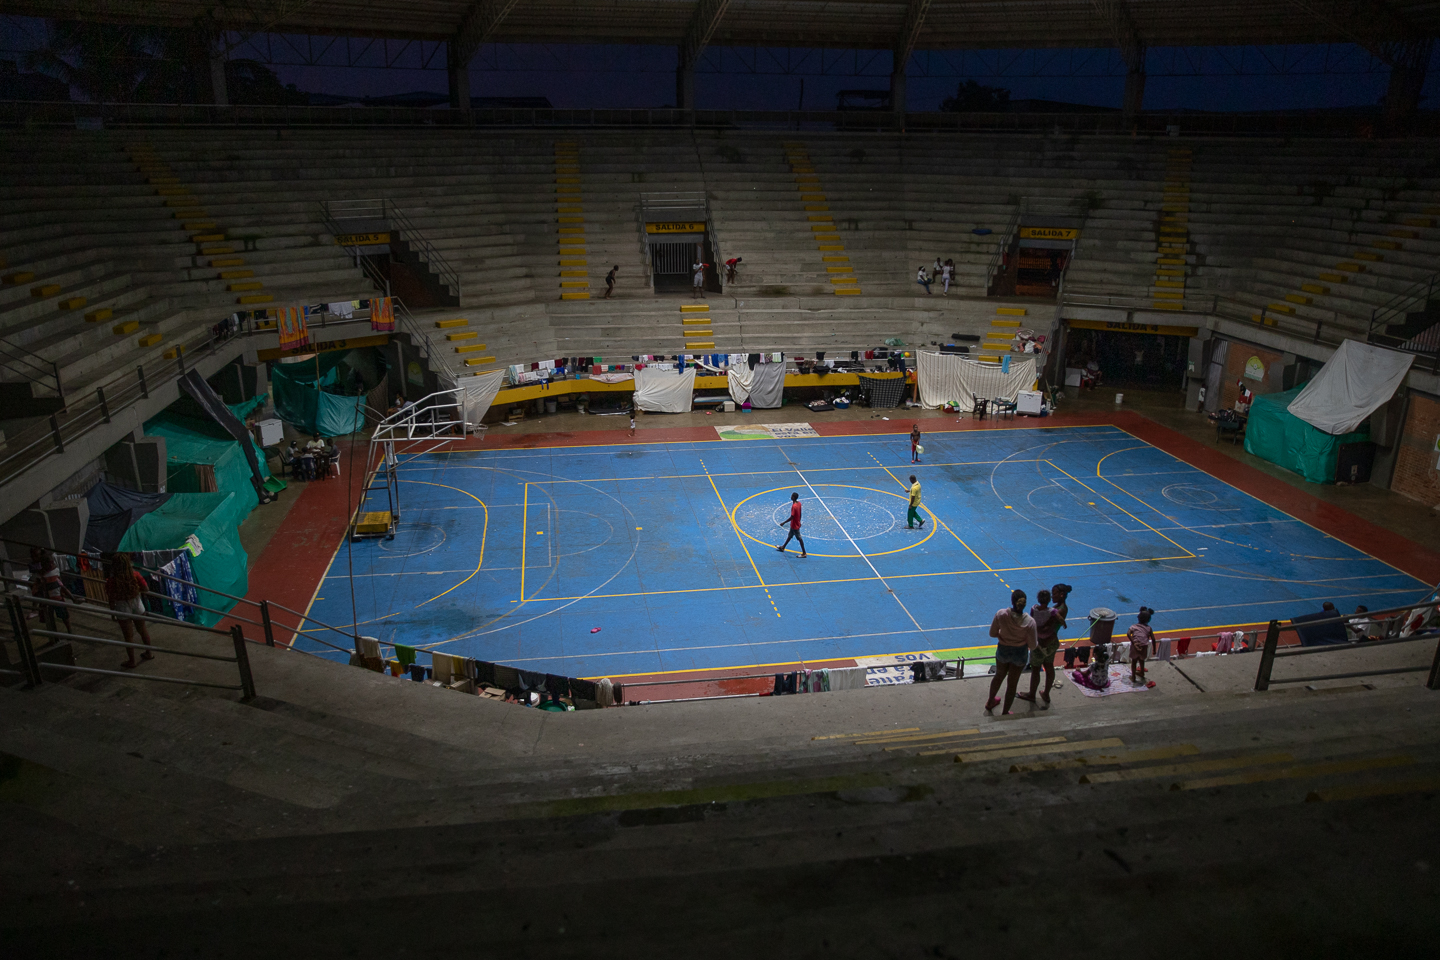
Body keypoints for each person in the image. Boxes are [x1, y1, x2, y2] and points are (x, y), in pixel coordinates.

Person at [986, 589, 1037, 715]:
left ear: (1012, 601)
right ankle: (1005, 712)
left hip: (1003, 650)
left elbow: (992, 633)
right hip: (1020, 654)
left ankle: (990, 701)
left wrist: (1002, 637)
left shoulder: (1001, 614)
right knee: (1012, 684)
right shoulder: (1030, 622)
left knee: (998, 676)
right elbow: (1032, 645)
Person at [105, 553, 154, 669]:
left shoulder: (112, 581)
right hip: (137, 605)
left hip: (122, 608)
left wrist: (112, 612)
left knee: (128, 636)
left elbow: (111, 598)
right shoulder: (135, 575)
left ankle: (132, 661)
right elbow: (146, 589)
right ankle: (149, 653)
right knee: (143, 630)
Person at [1017, 589, 1059, 708]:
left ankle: (1032, 694)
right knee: (1049, 666)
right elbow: (1060, 619)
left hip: (1038, 644)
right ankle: (1046, 693)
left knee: (1036, 669)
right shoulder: (1053, 612)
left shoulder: (1033, 609)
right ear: (1049, 599)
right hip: (1050, 642)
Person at [28, 546, 74, 631]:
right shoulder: (45, 572)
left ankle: (65, 632)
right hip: (52, 597)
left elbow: (60, 585)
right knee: (50, 617)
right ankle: (63, 633)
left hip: (53, 597)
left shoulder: (48, 572)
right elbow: (61, 585)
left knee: (60, 615)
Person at [1128, 607, 1155, 684]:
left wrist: (1133, 642)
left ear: (1138, 618)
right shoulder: (1149, 628)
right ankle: (1142, 672)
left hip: (1135, 646)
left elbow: (1128, 633)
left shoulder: (1134, 626)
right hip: (1144, 647)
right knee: (1141, 660)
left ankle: (1133, 677)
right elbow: (1153, 639)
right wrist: (1154, 649)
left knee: (1134, 661)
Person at [777, 491, 806, 558]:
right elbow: (800, 513)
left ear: (793, 497)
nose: (791, 496)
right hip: (795, 524)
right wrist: (799, 521)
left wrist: (784, 522)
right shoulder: (799, 503)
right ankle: (783, 547)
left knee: (799, 538)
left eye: (792, 496)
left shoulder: (794, 506)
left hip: (795, 525)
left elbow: (792, 517)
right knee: (790, 536)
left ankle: (804, 553)